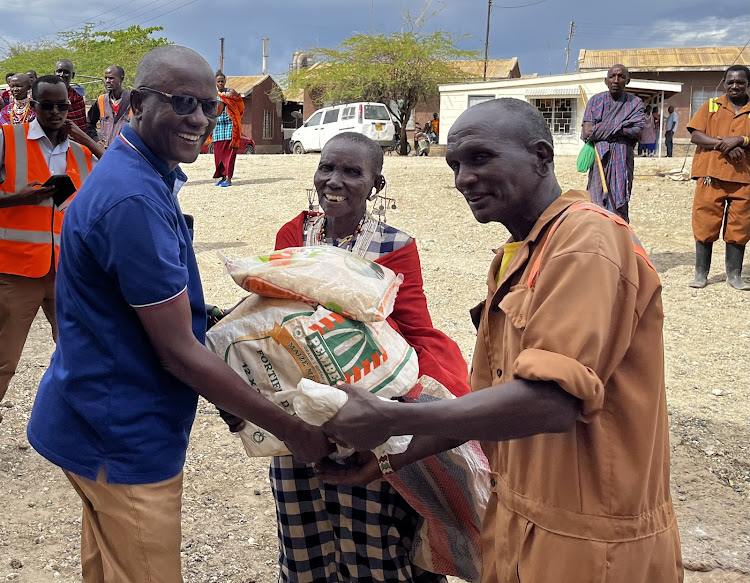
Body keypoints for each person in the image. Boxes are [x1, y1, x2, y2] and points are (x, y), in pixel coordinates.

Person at [318, 98, 684, 583]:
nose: (463, 178)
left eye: (481, 158)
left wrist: (390, 416)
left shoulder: (587, 242)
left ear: (541, 155)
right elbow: (494, 405)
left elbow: (550, 402)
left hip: (591, 544)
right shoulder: (522, 252)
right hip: (522, 520)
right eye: (455, 164)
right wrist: (392, 458)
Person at [26, 46, 331, 582]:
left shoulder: (142, 172)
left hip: (91, 415)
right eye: (183, 102)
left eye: (209, 107)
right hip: (120, 435)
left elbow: (165, 316)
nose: (200, 118)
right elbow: (178, 354)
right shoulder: (133, 200)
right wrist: (292, 430)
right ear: (139, 103)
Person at [265, 131, 471, 582]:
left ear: (376, 185)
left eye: (352, 172)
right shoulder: (294, 233)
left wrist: (430, 412)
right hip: (300, 403)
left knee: (371, 536)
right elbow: (272, 315)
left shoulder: (394, 245)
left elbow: (414, 326)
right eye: (327, 168)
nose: (334, 181)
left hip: (365, 400)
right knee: (303, 532)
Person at [0, 75, 102, 422]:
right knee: (4, 360)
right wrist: (18, 198)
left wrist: (87, 138)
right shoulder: (7, 139)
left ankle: (88, 422)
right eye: (48, 105)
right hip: (17, 272)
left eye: (62, 105)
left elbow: (123, 174)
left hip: (68, 273)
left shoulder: (80, 152)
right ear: (33, 105)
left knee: (82, 352)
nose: (56, 112)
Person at [686, 65, 750, 291]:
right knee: (705, 222)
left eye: (740, 82)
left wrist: (741, 140)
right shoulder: (711, 106)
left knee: (740, 226)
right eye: (730, 82)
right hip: (711, 175)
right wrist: (725, 144)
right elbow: (695, 135)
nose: (735, 86)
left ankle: (734, 275)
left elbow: (744, 139)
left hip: (744, 179)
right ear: (724, 83)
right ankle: (701, 274)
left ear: (747, 84)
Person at [581, 64, 645, 222]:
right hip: (600, 158)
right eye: (612, 76)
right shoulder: (595, 101)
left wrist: (602, 130)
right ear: (606, 81)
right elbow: (587, 133)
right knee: (596, 200)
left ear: (627, 81)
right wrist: (622, 127)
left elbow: (637, 131)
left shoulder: (635, 103)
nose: (616, 80)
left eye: (621, 76)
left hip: (622, 158)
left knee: (620, 200)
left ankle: (618, 237)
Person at [211, 71, 244, 187]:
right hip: (218, 129)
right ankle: (222, 177)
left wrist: (236, 119)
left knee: (229, 155)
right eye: (218, 81)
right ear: (215, 82)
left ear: (225, 81)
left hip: (230, 128)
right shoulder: (213, 95)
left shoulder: (231, 92)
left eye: (222, 81)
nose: (220, 83)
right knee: (218, 155)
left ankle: (229, 179)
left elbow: (240, 107)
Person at [86, 65, 131, 148]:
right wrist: (96, 140)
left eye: (111, 78)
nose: (107, 81)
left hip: (125, 154)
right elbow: (89, 123)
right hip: (105, 153)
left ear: (121, 79)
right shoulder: (101, 100)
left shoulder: (133, 102)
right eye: (106, 78)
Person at [54, 59, 87, 133]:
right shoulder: (46, 95)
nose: (62, 75)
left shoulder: (77, 98)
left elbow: (81, 128)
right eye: (59, 71)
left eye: (66, 72)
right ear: (54, 73)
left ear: (73, 75)